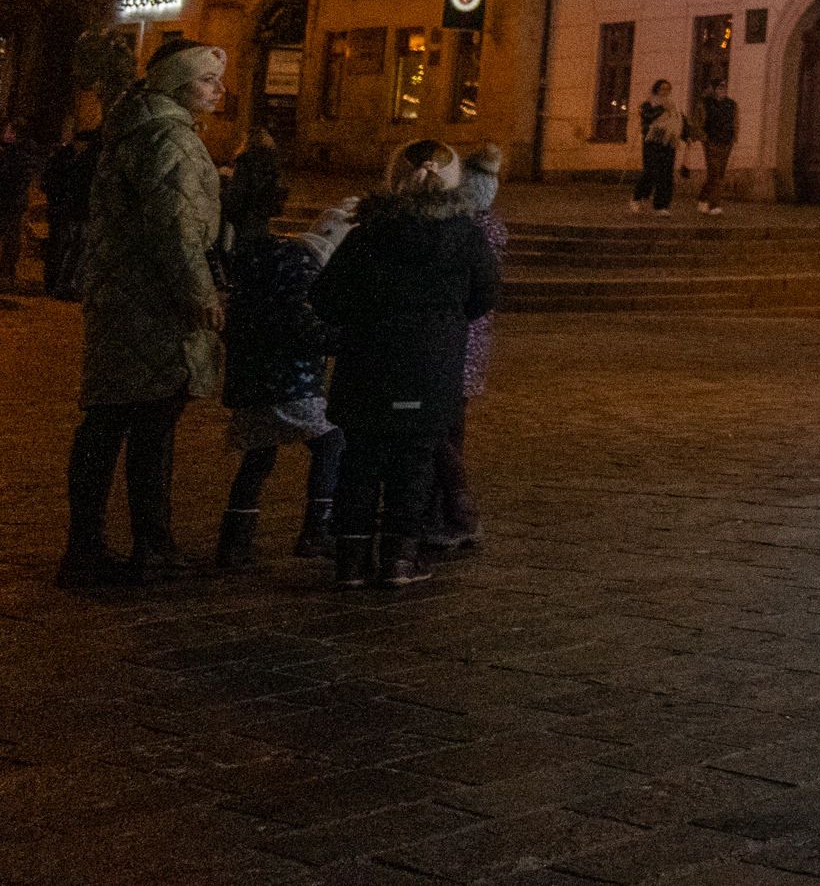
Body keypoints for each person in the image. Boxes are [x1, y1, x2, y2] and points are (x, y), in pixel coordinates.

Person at [60, 41, 228, 588]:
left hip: (122, 293)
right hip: (153, 300)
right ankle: (149, 545)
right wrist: (200, 291)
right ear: (177, 85)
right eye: (206, 80)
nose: (218, 90)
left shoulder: (135, 129)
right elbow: (176, 226)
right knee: (149, 421)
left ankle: (87, 548)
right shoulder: (170, 138)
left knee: (110, 420)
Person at [313, 140, 501, 589]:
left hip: (368, 363)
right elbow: (485, 295)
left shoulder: (369, 233)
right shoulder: (466, 234)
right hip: (431, 365)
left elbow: (325, 296)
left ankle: (351, 564)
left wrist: (363, 318)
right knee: (414, 466)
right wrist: (444, 324)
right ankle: (400, 560)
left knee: (359, 462)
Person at [213, 132, 343, 566]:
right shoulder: (297, 265)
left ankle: (235, 540)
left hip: (248, 376)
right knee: (330, 442)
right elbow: (301, 324)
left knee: (258, 454)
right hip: (291, 380)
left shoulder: (254, 257)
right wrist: (341, 341)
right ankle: (316, 530)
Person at [425, 143, 512, 549]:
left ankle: (454, 513)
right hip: (469, 344)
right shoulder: (490, 227)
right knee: (449, 428)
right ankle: (443, 513)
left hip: (448, 342)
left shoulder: (459, 228)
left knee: (436, 430)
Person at [42, 123, 99, 299]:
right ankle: (57, 285)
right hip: (68, 210)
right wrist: (60, 200)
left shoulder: (78, 159)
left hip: (71, 210)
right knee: (65, 248)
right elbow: (51, 182)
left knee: (70, 248)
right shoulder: (69, 159)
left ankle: (59, 285)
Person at [631, 79, 678, 216]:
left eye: (667, 89)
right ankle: (638, 197)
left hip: (669, 141)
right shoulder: (648, 104)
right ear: (656, 89)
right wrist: (662, 108)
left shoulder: (673, 105)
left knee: (666, 174)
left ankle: (661, 206)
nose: (665, 92)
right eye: (662, 89)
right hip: (652, 142)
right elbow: (647, 117)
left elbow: (678, 120)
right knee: (650, 172)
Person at [0, 117, 36, 288]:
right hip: (9, 203)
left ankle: (6, 276)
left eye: (8, 131)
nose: (5, 134)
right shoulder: (8, 153)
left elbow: (12, 180)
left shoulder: (20, 156)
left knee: (10, 241)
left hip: (10, 205)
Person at [694, 82, 737, 214]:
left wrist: (733, 137)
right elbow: (698, 122)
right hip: (711, 141)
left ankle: (703, 198)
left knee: (719, 173)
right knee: (714, 172)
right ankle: (714, 205)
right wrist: (704, 138)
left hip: (726, 142)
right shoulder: (705, 104)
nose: (722, 90)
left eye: (724, 88)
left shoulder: (731, 104)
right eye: (719, 87)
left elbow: (736, 121)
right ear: (713, 89)